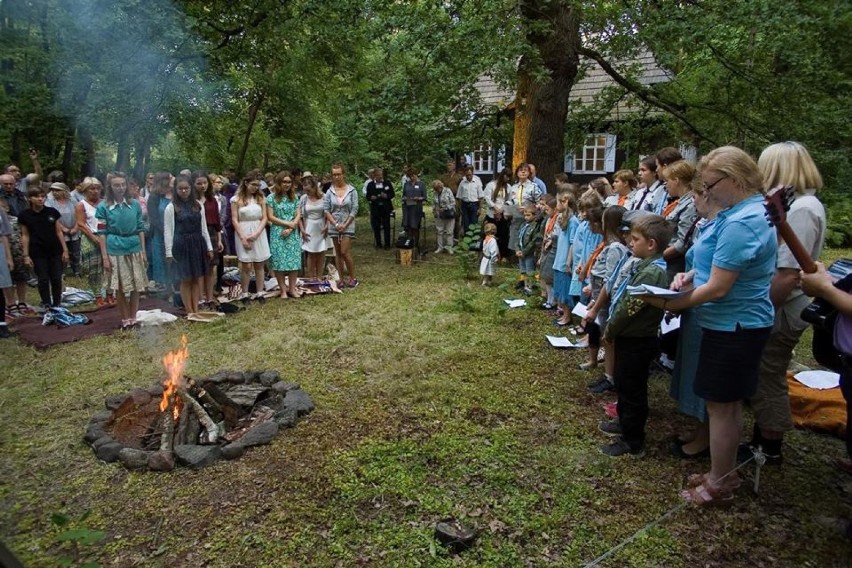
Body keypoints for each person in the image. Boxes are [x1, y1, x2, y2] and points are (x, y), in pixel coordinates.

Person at [640, 146, 776, 507]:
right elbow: (713, 267)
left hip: (735, 325)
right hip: (724, 322)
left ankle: (721, 483)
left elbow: (719, 287)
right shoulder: (737, 214)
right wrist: (688, 274)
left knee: (723, 406)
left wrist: (671, 304)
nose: (707, 191)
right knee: (720, 404)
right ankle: (722, 471)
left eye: (711, 183)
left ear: (733, 179)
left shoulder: (743, 221)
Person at [742, 141, 827, 464]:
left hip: (785, 305)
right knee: (767, 371)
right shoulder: (803, 205)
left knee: (769, 372)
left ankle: (769, 444)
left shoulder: (803, 209)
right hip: (782, 302)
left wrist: (762, 312)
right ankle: (764, 436)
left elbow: (788, 273)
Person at [596, 214, 672, 456]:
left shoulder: (652, 272)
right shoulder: (644, 264)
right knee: (625, 384)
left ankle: (633, 440)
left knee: (632, 389)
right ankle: (623, 422)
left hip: (637, 338)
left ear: (651, 244)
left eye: (636, 239)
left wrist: (610, 330)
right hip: (630, 336)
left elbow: (629, 308)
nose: (630, 241)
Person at [669, 183, 721, 459]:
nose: (693, 200)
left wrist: (678, 301)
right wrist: (685, 276)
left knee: (705, 374)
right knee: (692, 368)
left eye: (697, 195)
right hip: (695, 301)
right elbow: (699, 264)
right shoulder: (708, 224)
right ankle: (699, 429)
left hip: (707, 307)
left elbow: (719, 275)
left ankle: (706, 438)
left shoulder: (726, 227)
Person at [581, 206, 628, 389]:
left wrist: (595, 305)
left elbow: (610, 281)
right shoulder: (609, 245)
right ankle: (609, 375)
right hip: (600, 300)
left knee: (610, 340)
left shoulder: (615, 248)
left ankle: (611, 377)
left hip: (608, 303)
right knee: (607, 339)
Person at [96, 172, 147, 330]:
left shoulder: (135, 204)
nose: (120, 188)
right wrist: (105, 256)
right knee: (120, 286)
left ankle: (133, 317)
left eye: (123, 185)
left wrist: (143, 251)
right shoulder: (103, 206)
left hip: (134, 245)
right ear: (110, 187)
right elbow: (102, 233)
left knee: (136, 284)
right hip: (114, 246)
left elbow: (140, 229)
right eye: (116, 185)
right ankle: (125, 319)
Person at [164, 175, 213, 317]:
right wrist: (169, 252)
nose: (184, 191)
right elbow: (168, 231)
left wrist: (209, 247)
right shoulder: (171, 207)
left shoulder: (198, 204)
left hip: (197, 243)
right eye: (180, 188)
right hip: (181, 244)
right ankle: (189, 311)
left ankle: (196, 309)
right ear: (175, 189)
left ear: (191, 189)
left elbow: (203, 228)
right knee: (185, 279)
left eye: (186, 188)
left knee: (196, 277)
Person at [17, 185, 68, 309]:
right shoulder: (25, 215)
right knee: (43, 279)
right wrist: (26, 255)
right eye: (36, 197)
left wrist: (65, 250)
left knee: (56, 278)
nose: (40, 199)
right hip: (37, 252)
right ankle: (46, 303)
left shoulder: (52, 212)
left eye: (42, 196)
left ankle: (57, 303)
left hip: (55, 250)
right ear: (30, 199)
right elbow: (25, 235)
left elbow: (59, 231)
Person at [231, 174, 271, 298]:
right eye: (253, 184)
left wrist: (256, 233)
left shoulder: (261, 199)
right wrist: (243, 237)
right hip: (243, 230)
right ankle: (244, 293)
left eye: (258, 185)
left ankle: (260, 292)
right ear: (246, 183)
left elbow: (264, 218)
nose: (255, 187)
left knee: (259, 263)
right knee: (246, 265)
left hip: (258, 230)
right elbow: (234, 219)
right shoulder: (236, 199)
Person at [661, 160, 698, 283]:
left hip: (675, 263)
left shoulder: (691, 205)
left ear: (676, 180)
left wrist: (659, 256)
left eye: (667, 181)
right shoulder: (679, 202)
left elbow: (683, 243)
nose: (666, 186)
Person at [267, 171, 303, 298]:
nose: (287, 184)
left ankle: (292, 289)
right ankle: (283, 290)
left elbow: (298, 214)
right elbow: (270, 216)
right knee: (279, 262)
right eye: (284, 182)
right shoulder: (271, 198)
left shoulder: (294, 197)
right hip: (278, 232)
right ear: (279, 183)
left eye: (289, 182)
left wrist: (291, 226)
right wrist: (286, 223)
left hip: (292, 232)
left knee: (294, 261)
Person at [75, 177, 110, 306]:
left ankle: (110, 293)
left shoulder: (105, 203)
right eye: (91, 189)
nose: (95, 191)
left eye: (97, 188)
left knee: (109, 266)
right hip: (90, 236)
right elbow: (81, 224)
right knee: (94, 268)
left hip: (106, 235)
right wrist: (94, 238)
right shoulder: (81, 205)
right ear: (85, 190)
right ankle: (98, 295)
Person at [323, 163, 359, 288]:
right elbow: (326, 210)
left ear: (343, 174)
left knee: (344, 251)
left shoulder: (352, 190)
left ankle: (352, 277)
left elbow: (354, 209)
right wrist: (335, 223)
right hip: (334, 225)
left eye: (339, 174)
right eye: (334, 175)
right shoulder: (329, 191)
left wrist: (345, 224)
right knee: (337, 253)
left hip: (348, 224)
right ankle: (341, 280)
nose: (337, 177)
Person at [196, 172, 223, 307]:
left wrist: (219, 240)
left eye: (205, 183)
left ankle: (210, 296)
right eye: (199, 183)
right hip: (197, 234)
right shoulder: (192, 201)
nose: (202, 186)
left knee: (211, 267)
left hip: (212, 232)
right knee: (200, 268)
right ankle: (200, 298)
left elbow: (217, 221)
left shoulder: (212, 200)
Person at [551, 191, 579, 325]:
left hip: (565, 261)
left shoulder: (573, 221)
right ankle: (564, 314)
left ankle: (568, 316)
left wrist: (569, 262)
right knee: (560, 289)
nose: (556, 205)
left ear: (565, 202)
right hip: (559, 259)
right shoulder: (563, 218)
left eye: (558, 202)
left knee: (565, 291)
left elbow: (573, 243)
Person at [46, 182, 81, 277]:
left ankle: (77, 270)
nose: (55, 192)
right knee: (62, 252)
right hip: (59, 231)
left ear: (64, 191)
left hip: (74, 229)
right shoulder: (50, 202)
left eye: (57, 190)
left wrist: (75, 227)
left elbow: (79, 214)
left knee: (75, 251)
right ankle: (62, 272)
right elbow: (51, 216)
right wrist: (63, 228)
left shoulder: (72, 200)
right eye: (53, 190)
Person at [146, 172, 173, 292]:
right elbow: (154, 218)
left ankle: (173, 288)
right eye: (170, 177)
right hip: (159, 234)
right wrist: (165, 233)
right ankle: (163, 289)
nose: (173, 179)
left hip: (175, 234)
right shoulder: (154, 196)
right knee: (162, 261)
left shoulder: (175, 194)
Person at [299, 174, 328, 280]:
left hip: (321, 226)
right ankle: (311, 277)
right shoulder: (303, 199)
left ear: (314, 186)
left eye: (308, 186)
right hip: (309, 226)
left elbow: (329, 213)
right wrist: (302, 230)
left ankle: (319, 276)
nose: (306, 189)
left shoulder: (324, 197)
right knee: (310, 253)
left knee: (321, 252)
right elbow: (300, 216)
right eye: (304, 186)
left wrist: (327, 226)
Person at [508, 163, 540, 256]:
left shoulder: (533, 186)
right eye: (520, 170)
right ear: (517, 173)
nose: (523, 172)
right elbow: (510, 201)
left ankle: (527, 256)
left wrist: (529, 208)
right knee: (515, 235)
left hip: (529, 218)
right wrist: (507, 208)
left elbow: (539, 203)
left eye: (525, 170)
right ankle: (515, 257)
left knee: (527, 237)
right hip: (516, 217)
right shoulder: (513, 187)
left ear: (529, 173)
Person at [483, 169, 512, 259]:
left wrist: (502, 209)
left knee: (503, 235)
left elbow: (510, 200)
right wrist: (495, 208)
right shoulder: (491, 185)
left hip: (503, 214)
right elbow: (487, 198)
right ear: (502, 175)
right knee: (490, 234)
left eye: (509, 177)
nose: (508, 179)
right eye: (506, 176)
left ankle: (502, 255)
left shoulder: (508, 187)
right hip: (492, 214)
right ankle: (489, 254)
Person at [538, 195, 559, 309]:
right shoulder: (548, 220)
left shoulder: (557, 221)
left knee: (550, 278)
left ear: (555, 209)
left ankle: (553, 300)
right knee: (545, 277)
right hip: (546, 250)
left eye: (547, 210)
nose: (545, 212)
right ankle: (549, 299)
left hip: (553, 250)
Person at [365, 168, 395, 250]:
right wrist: (371, 197)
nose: (380, 177)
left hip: (385, 207)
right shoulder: (370, 184)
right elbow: (367, 196)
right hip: (375, 208)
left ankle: (387, 244)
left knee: (386, 226)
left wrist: (386, 196)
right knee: (376, 226)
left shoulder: (387, 183)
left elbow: (392, 194)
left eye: (381, 175)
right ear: (374, 175)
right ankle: (378, 244)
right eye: (378, 175)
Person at [650, 147, 684, 215]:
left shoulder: (684, 194)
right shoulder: (661, 190)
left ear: (665, 167)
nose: (656, 170)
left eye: (657, 166)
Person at [515, 206, 540, 295]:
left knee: (530, 271)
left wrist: (524, 252)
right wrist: (517, 250)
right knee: (523, 270)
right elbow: (518, 238)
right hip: (521, 252)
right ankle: (525, 286)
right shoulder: (523, 225)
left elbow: (533, 241)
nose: (526, 217)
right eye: (525, 215)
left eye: (528, 215)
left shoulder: (535, 226)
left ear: (534, 215)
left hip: (529, 253)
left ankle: (530, 287)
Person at [401, 168, 427, 255]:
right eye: (410, 176)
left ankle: (416, 244)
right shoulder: (406, 184)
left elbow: (425, 197)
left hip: (417, 207)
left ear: (416, 175)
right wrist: (404, 198)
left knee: (415, 226)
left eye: (413, 175)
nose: (412, 177)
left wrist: (419, 198)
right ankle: (409, 243)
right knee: (408, 227)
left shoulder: (421, 184)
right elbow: (404, 195)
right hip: (407, 207)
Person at [456, 165, 484, 237]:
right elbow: (459, 197)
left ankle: (473, 242)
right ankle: (467, 240)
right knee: (466, 223)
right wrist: (459, 208)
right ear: (465, 174)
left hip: (474, 205)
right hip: (465, 205)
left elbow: (481, 197)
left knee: (474, 223)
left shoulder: (477, 182)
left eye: (470, 175)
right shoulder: (462, 183)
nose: (468, 176)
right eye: (467, 175)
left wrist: (480, 208)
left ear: (472, 173)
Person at [0, 205, 13, 337]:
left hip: (0, 249)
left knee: (1, 287)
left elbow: (4, 235)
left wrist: (8, 257)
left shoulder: (1, 211)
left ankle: (2, 324)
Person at [432, 180, 455, 254]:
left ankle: (449, 247)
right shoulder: (435, 193)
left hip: (449, 213)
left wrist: (445, 208)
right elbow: (434, 203)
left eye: (438, 188)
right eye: (435, 188)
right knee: (439, 231)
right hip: (439, 215)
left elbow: (453, 202)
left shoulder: (448, 191)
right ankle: (440, 247)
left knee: (449, 231)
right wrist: (434, 211)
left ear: (441, 186)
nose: (437, 190)